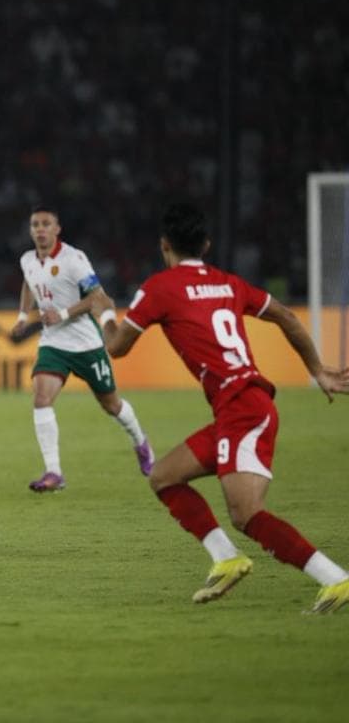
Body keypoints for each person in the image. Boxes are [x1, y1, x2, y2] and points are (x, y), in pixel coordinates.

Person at [99, 202, 349, 612]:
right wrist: (317, 370)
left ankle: (335, 579)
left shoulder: (160, 287)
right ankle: (225, 558)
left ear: (165, 246)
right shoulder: (229, 283)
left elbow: (117, 346)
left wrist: (104, 311)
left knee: (247, 513)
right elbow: (285, 315)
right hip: (239, 407)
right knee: (164, 476)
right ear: (207, 244)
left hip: (243, 408)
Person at [11, 205, 155, 492]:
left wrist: (62, 314)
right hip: (53, 344)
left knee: (111, 405)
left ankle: (141, 442)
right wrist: (23, 316)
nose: (40, 229)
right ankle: (54, 472)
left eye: (45, 224)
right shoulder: (27, 259)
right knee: (41, 398)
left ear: (57, 229)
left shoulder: (74, 259)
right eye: (35, 224)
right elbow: (29, 285)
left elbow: (97, 298)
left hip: (86, 344)